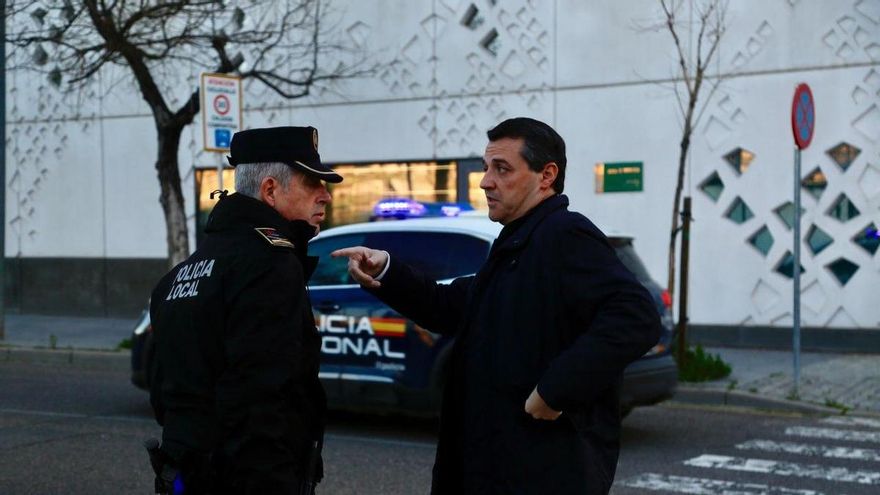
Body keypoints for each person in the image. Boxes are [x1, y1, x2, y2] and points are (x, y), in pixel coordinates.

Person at [333, 117, 662, 494]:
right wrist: (387, 271)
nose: (485, 181)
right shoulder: (519, 241)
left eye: (502, 169)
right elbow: (451, 306)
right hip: (498, 464)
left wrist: (555, 389)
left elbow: (635, 317)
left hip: (538, 470)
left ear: (546, 175)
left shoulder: (565, 234)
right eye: (486, 167)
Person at [148, 126, 341, 495]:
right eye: (311, 183)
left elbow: (163, 396)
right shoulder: (270, 266)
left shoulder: (178, 276)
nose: (325, 195)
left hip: (184, 476)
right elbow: (263, 405)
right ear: (270, 190)